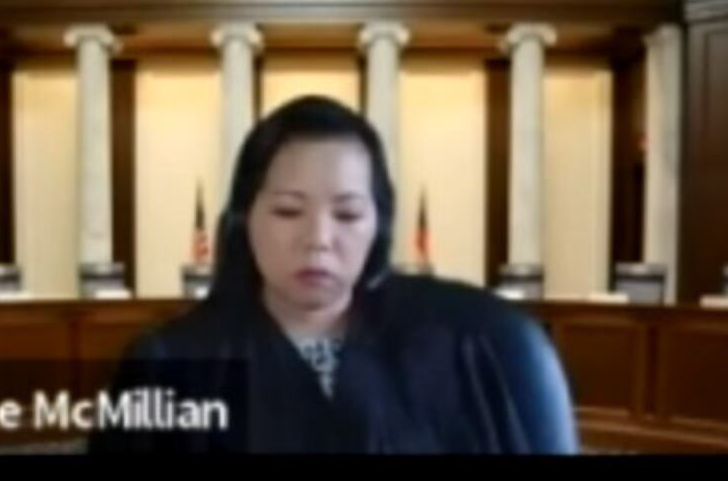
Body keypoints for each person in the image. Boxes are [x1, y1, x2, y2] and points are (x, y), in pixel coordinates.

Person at [91, 95, 578, 454]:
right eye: (287, 211)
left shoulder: (475, 349)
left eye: (346, 215)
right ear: (244, 218)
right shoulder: (165, 365)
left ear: (378, 226)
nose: (318, 238)